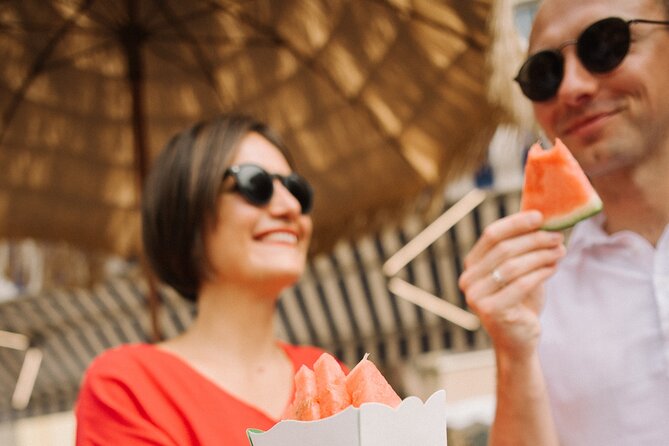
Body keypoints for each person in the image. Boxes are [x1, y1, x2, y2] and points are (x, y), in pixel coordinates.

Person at [458, 0, 669, 445]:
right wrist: (514, 354)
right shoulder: (537, 299)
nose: (572, 87)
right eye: (544, 73)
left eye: (606, 45)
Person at [75, 114, 345, 445]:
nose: (290, 207)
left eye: (297, 190)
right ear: (187, 210)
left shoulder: (332, 376)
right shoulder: (127, 388)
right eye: (255, 185)